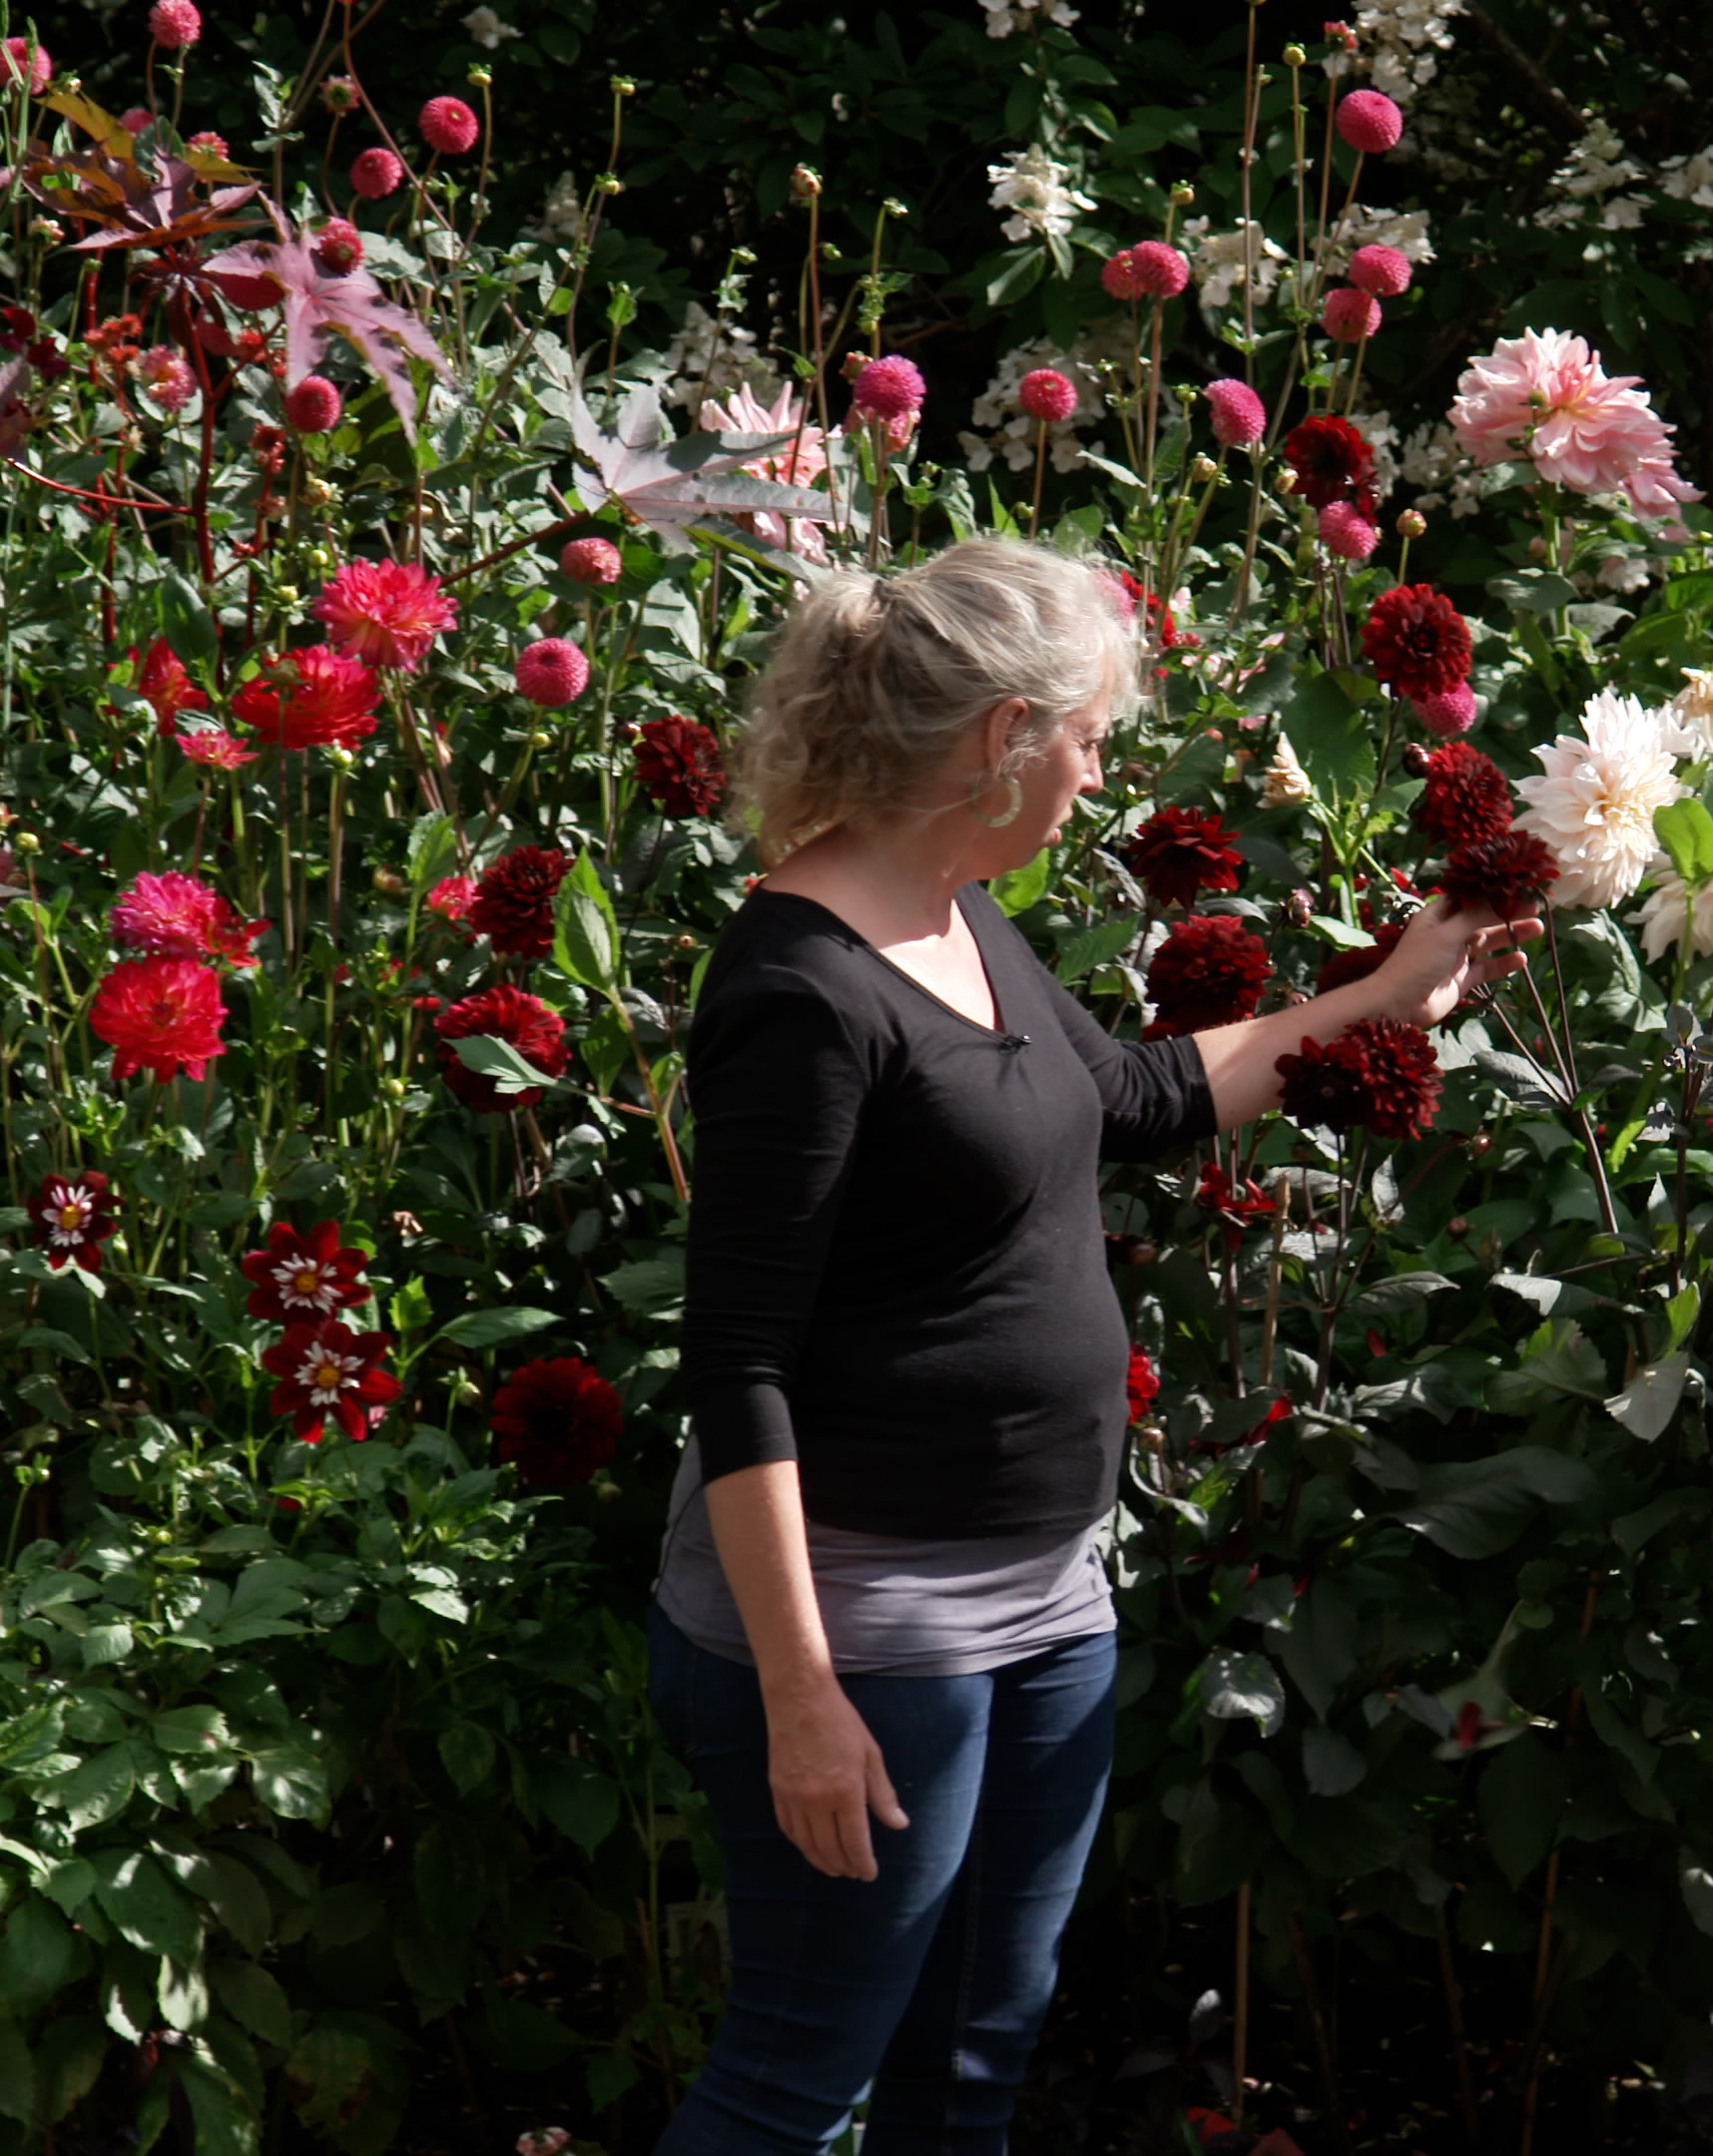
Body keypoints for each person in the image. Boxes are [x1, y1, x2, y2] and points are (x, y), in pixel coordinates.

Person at [651, 537, 1540, 2153]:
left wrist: (1390, 999)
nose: (1098, 775)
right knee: (794, 2081)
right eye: (1089, 739)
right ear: (1004, 736)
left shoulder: (955, 918)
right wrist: (799, 1694)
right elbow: (739, 1362)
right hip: (869, 1638)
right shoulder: (803, 990)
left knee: (971, 2070)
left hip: (1043, 1604)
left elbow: (1135, 1098)